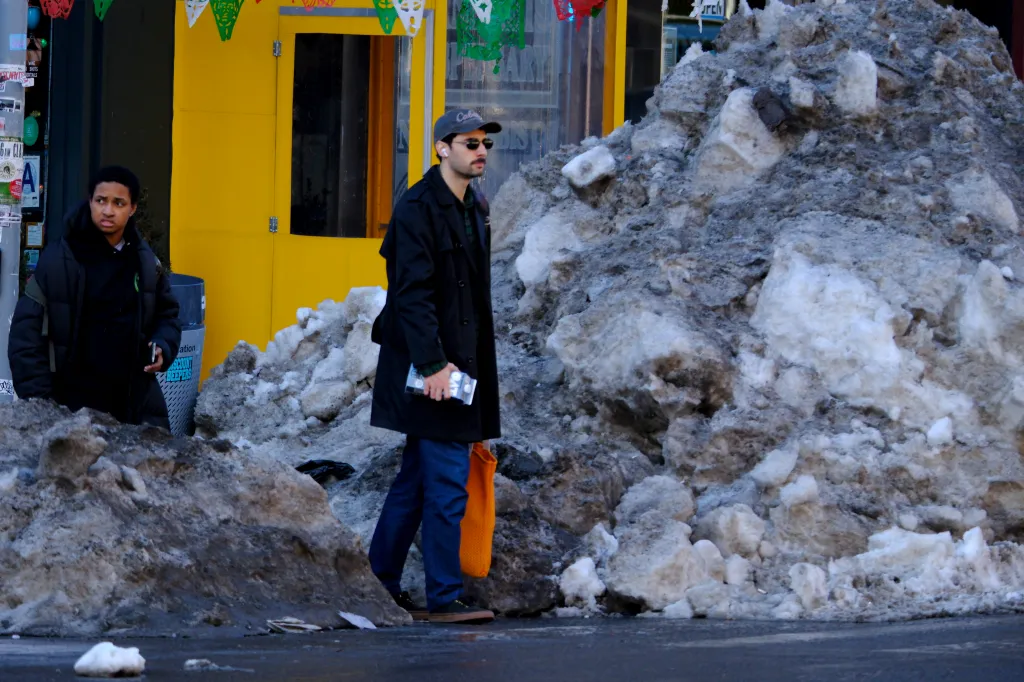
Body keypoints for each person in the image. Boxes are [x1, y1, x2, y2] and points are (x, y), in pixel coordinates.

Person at [369, 109, 503, 625]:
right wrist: (433, 366)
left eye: (484, 142)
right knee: (447, 483)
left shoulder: (475, 205)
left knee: (417, 482)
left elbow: (471, 302)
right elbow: (411, 295)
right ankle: (444, 597)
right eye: (469, 142)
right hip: (430, 369)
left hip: (458, 368)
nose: (481, 151)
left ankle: (380, 580)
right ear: (441, 149)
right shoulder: (416, 209)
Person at [8, 165, 181, 429]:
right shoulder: (59, 261)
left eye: (119, 203)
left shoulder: (145, 264)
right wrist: (42, 407)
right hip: (71, 410)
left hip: (132, 408)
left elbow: (167, 316)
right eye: (101, 200)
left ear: (132, 208)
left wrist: (162, 346)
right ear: (90, 202)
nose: (108, 210)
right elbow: (25, 339)